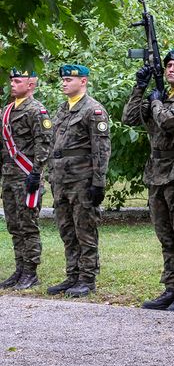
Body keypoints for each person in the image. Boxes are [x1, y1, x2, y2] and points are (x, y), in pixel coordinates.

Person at [123, 50, 174, 312]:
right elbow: (129, 118)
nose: (171, 70)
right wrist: (140, 88)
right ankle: (170, 288)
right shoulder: (158, 95)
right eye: (168, 66)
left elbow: (170, 122)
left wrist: (156, 102)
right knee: (166, 236)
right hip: (158, 172)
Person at [44, 64, 111, 297]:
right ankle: (72, 275)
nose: (64, 83)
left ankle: (87, 278)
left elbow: (101, 149)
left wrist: (98, 182)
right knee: (66, 229)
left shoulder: (93, 110)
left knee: (85, 229)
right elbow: (54, 146)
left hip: (82, 180)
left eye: (69, 79)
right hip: (61, 181)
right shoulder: (62, 109)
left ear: (83, 81)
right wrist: (50, 174)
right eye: (62, 79)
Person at [1, 68, 52, 291]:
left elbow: (44, 143)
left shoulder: (37, 111)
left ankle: (31, 272)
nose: (12, 84)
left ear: (30, 85)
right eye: (11, 80)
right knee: (14, 225)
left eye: (17, 81)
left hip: (27, 175)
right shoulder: (7, 110)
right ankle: (19, 269)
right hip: (9, 176)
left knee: (28, 225)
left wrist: (36, 172)